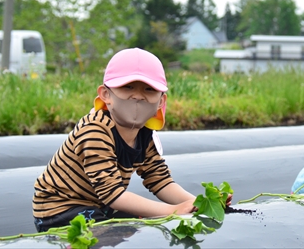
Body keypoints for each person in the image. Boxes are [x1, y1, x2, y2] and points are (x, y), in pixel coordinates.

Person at [33, 48, 231, 232]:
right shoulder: (95, 131)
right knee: (109, 234)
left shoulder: (144, 134)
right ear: (106, 94)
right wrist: (174, 210)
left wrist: (201, 203)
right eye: (128, 87)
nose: (138, 97)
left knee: (139, 226)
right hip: (59, 209)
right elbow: (112, 193)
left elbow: (159, 179)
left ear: (161, 101)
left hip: (98, 204)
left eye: (149, 90)